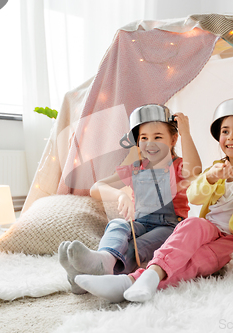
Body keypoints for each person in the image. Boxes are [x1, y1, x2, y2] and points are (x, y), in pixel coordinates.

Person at [74, 94, 233, 302]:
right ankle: (115, 266)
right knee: (191, 225)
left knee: (196, 261)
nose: (231, 137)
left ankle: (132, 281)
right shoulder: (217, 167)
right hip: (208, 228)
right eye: (225, 131)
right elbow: (194, 197)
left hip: (232, 238)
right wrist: (210, 178)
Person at [59, 104, 202, 294]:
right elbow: (96, 188)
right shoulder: (135, 169)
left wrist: (186, 132)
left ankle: (84, 276)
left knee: (136, 247)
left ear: (173, 139)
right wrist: (119, 194)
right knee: (117, 225)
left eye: (158, 137)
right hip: (140, 223)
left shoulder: (178, 167)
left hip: (168, 228)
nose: (150, 144)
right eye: (144, 138)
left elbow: (196, 170)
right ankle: (102, 261)